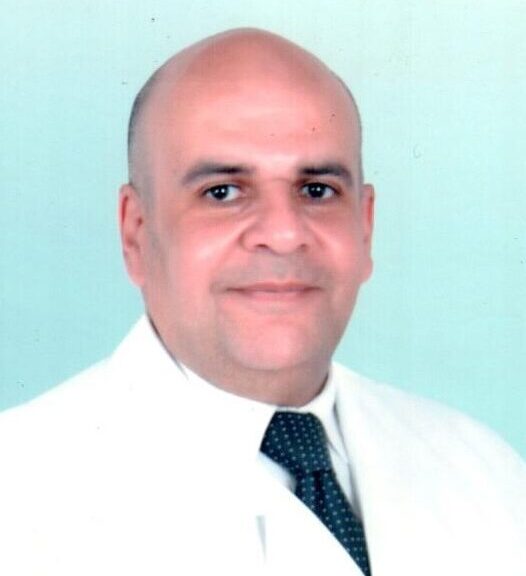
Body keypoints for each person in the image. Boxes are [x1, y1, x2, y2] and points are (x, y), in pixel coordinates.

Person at [0, 28, 524, 576]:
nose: (283, 233)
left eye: (317, 190)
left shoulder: (486, 473)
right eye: (222, 192)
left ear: (365, 228)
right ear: (136, 234)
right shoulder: (18, 499)